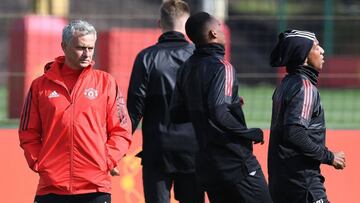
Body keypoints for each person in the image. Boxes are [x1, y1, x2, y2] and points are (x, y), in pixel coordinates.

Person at [18, 20, 132, 203]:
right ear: (64, 46)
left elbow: (122, 130)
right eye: (81, 48)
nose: (87, 54)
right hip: (51, 187)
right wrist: (40, 163)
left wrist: (106, 160)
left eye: (91, 48)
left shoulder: (106, 82)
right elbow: (28, 132)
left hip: (95, 186)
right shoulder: (39, 86)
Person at [170, 12, 272, 203]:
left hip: (207, 166)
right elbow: (218, 112)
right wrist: (248, 133)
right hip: (234, 160)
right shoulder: (222, 67)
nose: (223, 29)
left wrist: (225, 104)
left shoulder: (187, 67)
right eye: (219, 25)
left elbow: (176, 114)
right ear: (212, 34)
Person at [127, 1, 204, 203]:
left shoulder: (145, 57)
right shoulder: (200, 56)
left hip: (157, 148)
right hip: (193, 148)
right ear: (188, 25)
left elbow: (134, 109)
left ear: (159, 22)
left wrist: (117, 147)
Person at [268, 29, 346, 203]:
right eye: (317, 47)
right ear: (304, 55)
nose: (322, 51)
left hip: (280, 180)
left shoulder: (284, 85)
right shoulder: (305, 87)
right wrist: (330, 157)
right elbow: (294, 133)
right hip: (302, 183)